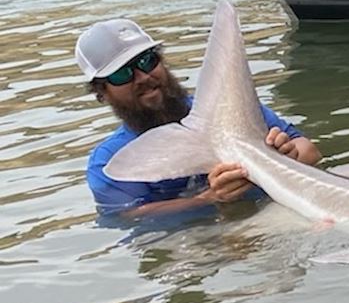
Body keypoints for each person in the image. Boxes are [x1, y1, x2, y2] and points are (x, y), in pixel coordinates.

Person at [79, 17, 322, 218]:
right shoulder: (108, 162)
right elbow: (129, 216)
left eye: (148, 61)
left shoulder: (226, 111)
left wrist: (285, 158)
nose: (143, 77)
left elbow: (310, 151)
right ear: (101, 93)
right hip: (198, 236)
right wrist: (210, 198)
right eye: (123, 74)